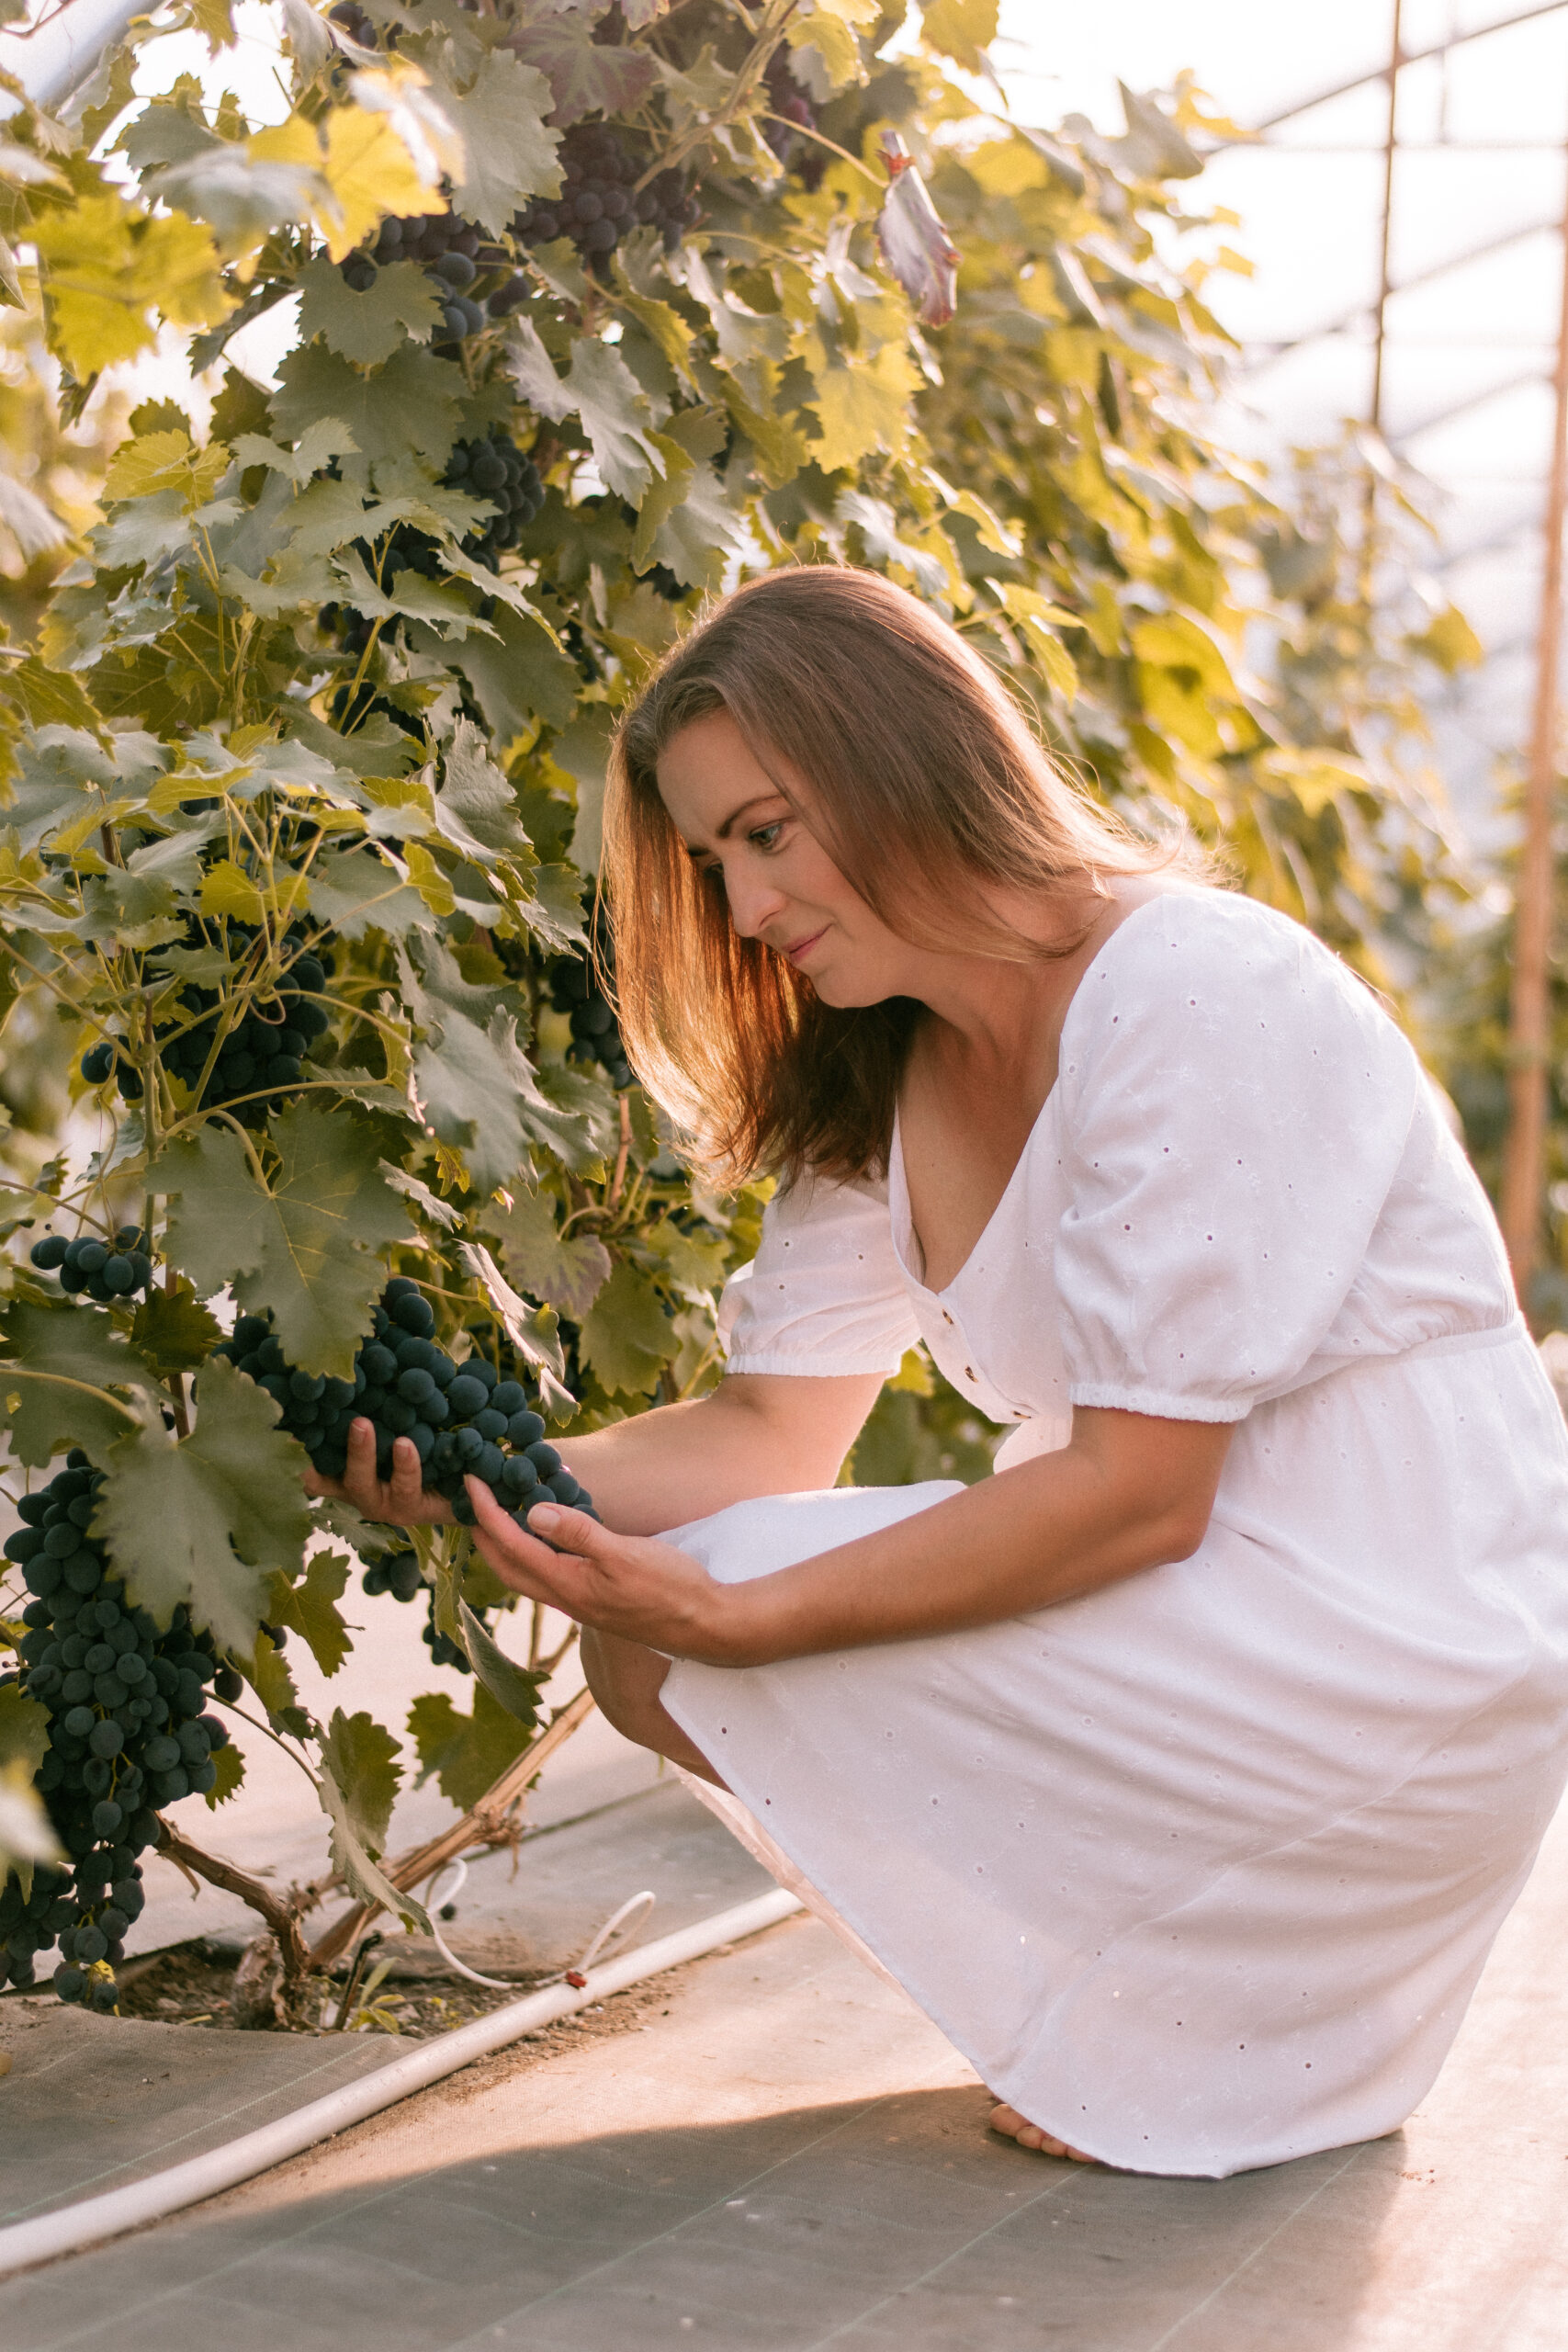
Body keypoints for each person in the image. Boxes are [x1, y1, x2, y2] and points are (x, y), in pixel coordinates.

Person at [316, 566, 1568, 2179]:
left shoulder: (1197, 990)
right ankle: (1177, 2018)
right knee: (653, 1642)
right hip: (1209, 1601)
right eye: (716, 860)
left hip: (1396, 1624)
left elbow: (1139, 1497)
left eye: (769, 832)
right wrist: (476, 1476)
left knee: (718, 1613)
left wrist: (738, 1611)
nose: (748, 907)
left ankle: (1205, 2011)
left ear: (900, 760)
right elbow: (771, 1435)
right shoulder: (882, 1066)